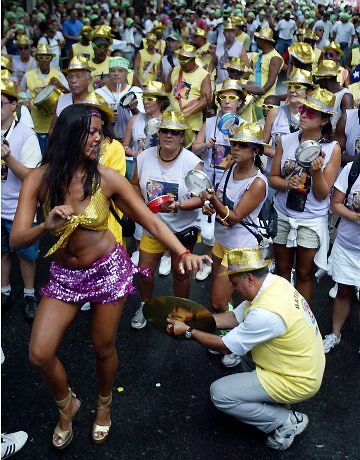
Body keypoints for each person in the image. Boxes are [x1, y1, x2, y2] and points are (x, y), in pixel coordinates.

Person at [10, 102, 208, 450]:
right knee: (39, 353)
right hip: (66, 276)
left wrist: (182, 251)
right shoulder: (40, 180)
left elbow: (150, 221)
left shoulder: (106, 178)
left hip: (107, 271)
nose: (98, 139)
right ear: (70, 134)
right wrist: (46, 225)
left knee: (103, 348)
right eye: (91, 132)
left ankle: (104, 403)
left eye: (100, 132)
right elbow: (16, 239)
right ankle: (67, 403)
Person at [166, 247, 325, 451]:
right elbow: (233, 318)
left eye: (234, 284)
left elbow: (225, 347)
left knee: (220, 394)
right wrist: (193, 319)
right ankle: (274, 402)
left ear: (249, 278)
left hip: (298, 379)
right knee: (246, 353)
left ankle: (286, 420)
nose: (234, 289)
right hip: (304, 364)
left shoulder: (266, 313)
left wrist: (189, 332)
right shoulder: (275, 284)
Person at [130, 110, 203, 330]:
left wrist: (178, 205)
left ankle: (181, 312)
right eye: (164, 131)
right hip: (154, 227)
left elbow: (202, 197)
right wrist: (140, 207)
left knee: (180, 274)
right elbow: (134, 185)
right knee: (144, 271)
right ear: (158, 134)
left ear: (182, 137)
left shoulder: (192, 162)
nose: (168, 136)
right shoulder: (143, 157)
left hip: (183, 228)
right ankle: (144, 305)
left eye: (174, 132)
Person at [270, 87, 341, 302]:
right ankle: (281, 314)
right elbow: (273, 178)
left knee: (304, 273)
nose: (303, 114)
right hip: (282, 214)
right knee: (282, 269)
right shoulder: (287, 140)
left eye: (311, 112)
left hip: (310, 220)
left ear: (324, 120)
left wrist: (316, 171)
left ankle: (302, 321)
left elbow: (322, 195)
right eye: (303, 109)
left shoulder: (332, 149)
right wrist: (286, 183)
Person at [192, 79, 248, 281]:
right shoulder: (210, 122)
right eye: (223, 97)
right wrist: (206, 145)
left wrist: (236, 139)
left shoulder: (245, 126)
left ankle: (229, 267)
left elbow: (250, 157)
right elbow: (194, 148)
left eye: (232, 97)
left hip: (233, 183)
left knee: (228, 222)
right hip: (210, 180)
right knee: (207, 228)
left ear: (240, 102)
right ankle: (207, 261)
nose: (226, 101)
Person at [1, 79, 42, 320]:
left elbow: (31, 176)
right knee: (2, 252)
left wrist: (8, 158)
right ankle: (4, 290)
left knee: (27, 255)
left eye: (1, 103)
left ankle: (29, 294)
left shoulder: (26, 135)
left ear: (13, 106)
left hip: (20, 209)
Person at [323, 159, 360, 353]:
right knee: (344, 291)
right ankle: (335, 334)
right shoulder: (353, 169)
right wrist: (355, 216)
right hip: (347, 246)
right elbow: (335, 203)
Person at [20, 44, 69, 153]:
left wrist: (59, 84)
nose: (44, 61)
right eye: (41, 57)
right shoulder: (29, 75)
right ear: (37, 59)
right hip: (35, 123)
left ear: (51, 59)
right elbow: (20, 89)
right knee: (38, 155)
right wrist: (24, 100)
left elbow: (70, 93)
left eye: (47, 57)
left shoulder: (57, 74)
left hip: (54, 124)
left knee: (54, 156)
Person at [166, 44, 211, 134]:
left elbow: (206, 100)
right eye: (180, 60)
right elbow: (166, 91)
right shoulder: (174, 71)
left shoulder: (204, 75)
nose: (182, 64)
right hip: (172, 122)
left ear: (193, 59)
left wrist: (188, 113)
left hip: (192, 125)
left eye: (185, 61)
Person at [95, 56, 143, 140]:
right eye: (112, 70)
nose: (116, 74)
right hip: (106, 139)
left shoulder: (135, 91)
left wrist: (133, 109)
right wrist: (108, 118)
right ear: (109, 73)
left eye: (120, 71)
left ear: (127, 73)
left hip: (131, 141)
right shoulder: (99, 93)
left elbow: (142, 118)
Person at [314, 60, 354, 129]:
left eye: (319, 78)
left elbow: (349, 125)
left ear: (326, 79)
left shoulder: (345, 96)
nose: (317, 82)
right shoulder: (324, 93)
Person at [253, 28, 283, 117]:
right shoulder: (259, 55)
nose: (256, 41)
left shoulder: (275, 57)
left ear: (264, 41)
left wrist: (256, 94)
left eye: (258, 39)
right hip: (255, 100)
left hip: (265, 103)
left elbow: (271, 81)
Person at [216, 20, 250, 84]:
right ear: (224, 33)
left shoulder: (240, 46)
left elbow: (246, 67)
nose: (229, 33)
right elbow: (213, 62)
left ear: (235, 33)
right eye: (227, 31)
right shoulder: (219, 46)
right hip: (219, 83)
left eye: (232, 31)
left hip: (234, 84)